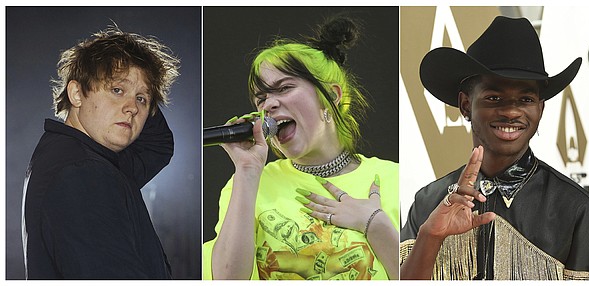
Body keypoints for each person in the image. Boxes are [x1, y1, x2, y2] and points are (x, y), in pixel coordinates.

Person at [399, 16, 589, 280]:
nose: (512, 111)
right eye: (494, 98)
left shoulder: (578, 209)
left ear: (540, 108)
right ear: (466, 105)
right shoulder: (427, 202)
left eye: (526, 99)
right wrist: (430, 237)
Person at [202, 17, 400, 280]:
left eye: (283, 88)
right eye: (261, 98)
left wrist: (376, 224)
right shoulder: (246, 184)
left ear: (331, 96)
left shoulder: (395, 179)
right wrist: (248, 172)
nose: (268, 104)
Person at [22, 26, 180, 279]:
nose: (132, 108)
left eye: (142, 99)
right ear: (76, 93)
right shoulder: (82, 172)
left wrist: (140, 81)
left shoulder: (78, 156)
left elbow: (157, 145)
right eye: (117, 90)